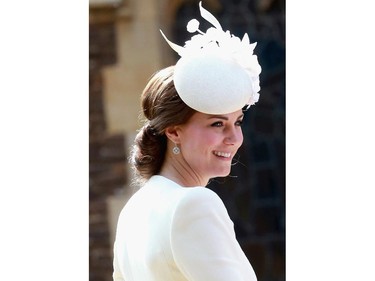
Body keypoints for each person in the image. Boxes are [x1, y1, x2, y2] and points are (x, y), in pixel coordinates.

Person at [112, 2, 262, 280]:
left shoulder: (132, 213)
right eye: (217, 123)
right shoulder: (194, 203)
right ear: (173, 130)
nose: (234, 138)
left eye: (237, 121)